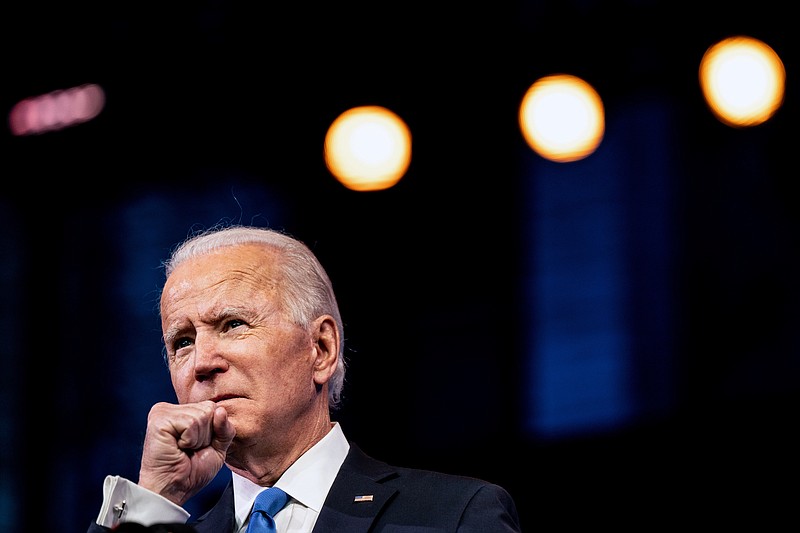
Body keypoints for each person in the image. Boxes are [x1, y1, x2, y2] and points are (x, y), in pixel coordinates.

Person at [86, 224, 522, 532]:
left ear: (321, 349)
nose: (202, 362)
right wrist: (154, 497)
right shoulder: (162, 526)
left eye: (233, 324)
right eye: (181, 341)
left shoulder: (453, 517)